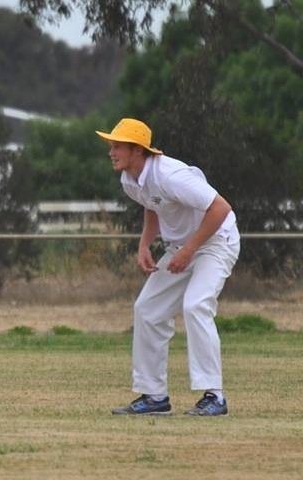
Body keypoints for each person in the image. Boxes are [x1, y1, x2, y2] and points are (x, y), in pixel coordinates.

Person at [96, 118, 239, 417]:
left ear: (138, 150)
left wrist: (189, 249)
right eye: (111, 146)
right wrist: (145, 244)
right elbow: (153, 206)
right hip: (181, 248)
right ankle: (154, 397)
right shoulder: (130, 180)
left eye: (118, 146)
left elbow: (221, 208)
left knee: (196, 305)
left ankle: (215, 397)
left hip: (216, 241)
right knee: (147, 309)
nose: (111, 152)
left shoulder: (171, 174)